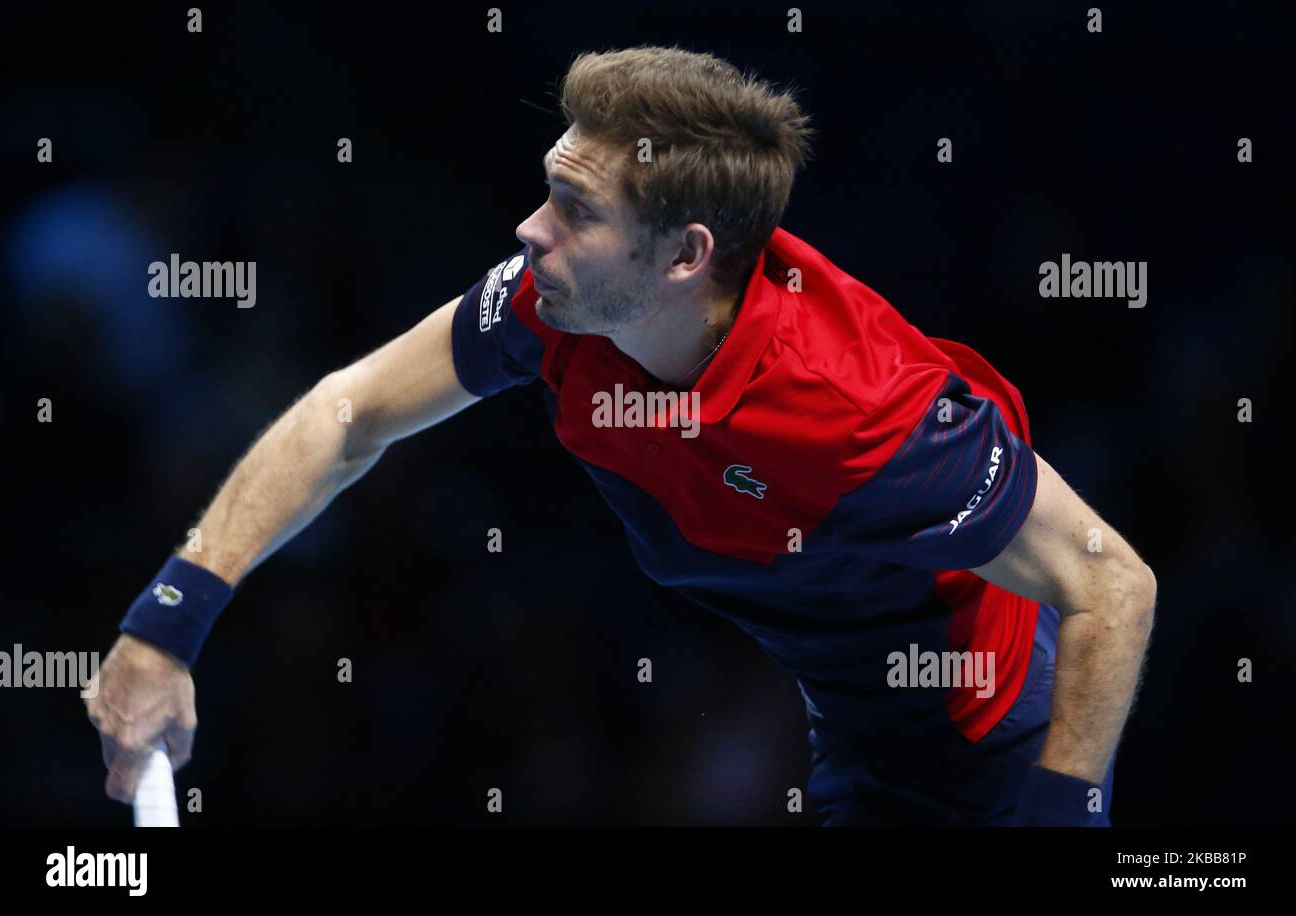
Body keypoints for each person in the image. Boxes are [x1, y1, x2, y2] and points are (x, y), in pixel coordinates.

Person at [85, 45, 1156, 825]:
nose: (527, 230)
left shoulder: (858, 407)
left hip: (979, 757)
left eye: (572, 209)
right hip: (847, 723)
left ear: (684, 256)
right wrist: (163, 624)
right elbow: (349, 410)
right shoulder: (552, 307)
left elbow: (1113, 583)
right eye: (545, 189)